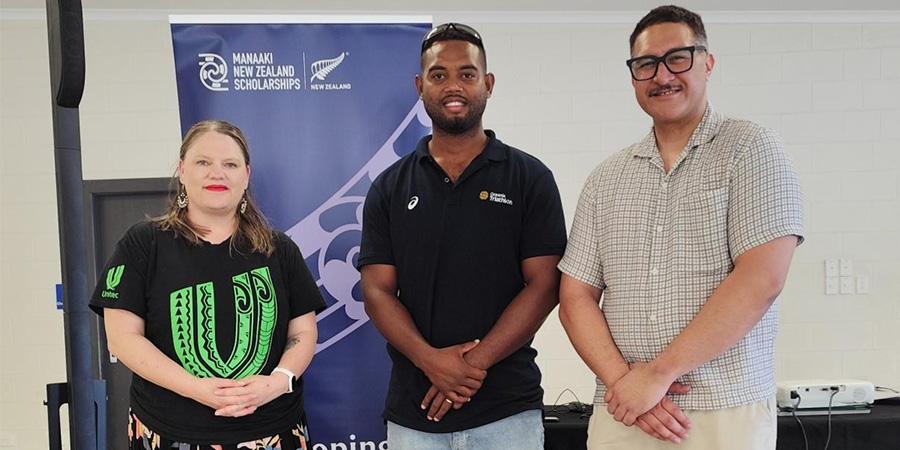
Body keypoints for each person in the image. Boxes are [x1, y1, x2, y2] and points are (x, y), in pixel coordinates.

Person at [558, 5, 804, 450]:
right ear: (633, 76)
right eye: (645, 63)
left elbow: (762, 278)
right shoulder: (606, 177)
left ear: (707, 63)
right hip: (623, 411)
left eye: (678, 57)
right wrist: (627, 383)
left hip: (723, 411)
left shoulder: (751, 149)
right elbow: (575, 296)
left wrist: (658, 374)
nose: (662, 74)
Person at [357, 23, 567, 450]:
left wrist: (471, 365)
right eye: (439, 75)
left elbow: (545, 284)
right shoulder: (389, 187)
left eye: (467, 74)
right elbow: (377, 291)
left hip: (508, 411)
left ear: (487, 84)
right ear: (420, 86)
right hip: (414, 417)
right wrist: (430, 361)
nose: (453, 85)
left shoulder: (530, 178)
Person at [89, 120, 325, 450]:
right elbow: (122, 338)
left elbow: (303, 331)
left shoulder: (279, 249)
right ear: (182, 171)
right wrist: (194, 387)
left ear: (246, 176)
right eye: (204, 162)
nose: (218, 173)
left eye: (230, 164)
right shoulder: (143, 244)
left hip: (275, 429)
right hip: (169, 431)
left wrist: (278, 382)